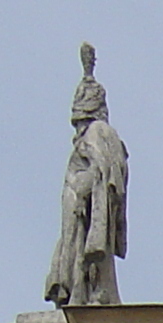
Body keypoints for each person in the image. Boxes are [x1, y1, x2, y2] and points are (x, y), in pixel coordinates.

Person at [47, 43, 127, 306]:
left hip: (86, 202)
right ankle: (73, 292)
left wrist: (86, 193)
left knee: (83, 249)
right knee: (73, 247)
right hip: (77, 199)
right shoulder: (93, 134)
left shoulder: (99, 132)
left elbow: (105, 170)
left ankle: (85, 293)